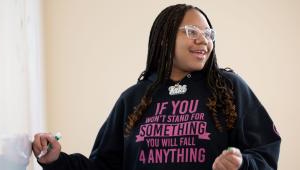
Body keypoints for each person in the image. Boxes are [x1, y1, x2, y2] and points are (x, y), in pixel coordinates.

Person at [32, 4, 281, 170]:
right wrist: (56, 161)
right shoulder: (133, 98)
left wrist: (242, 164)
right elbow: (103, 166)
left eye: (208, 34)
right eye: (192, 31)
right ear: (164, 38)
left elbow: (265, 152)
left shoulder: (229, 88)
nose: (203, 40)